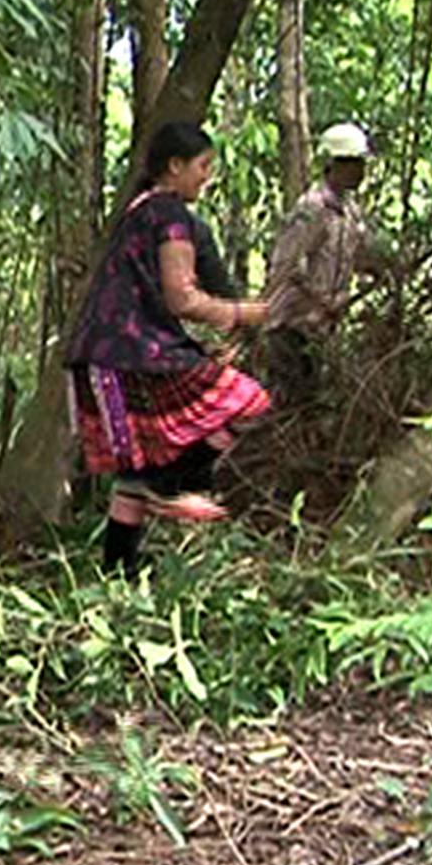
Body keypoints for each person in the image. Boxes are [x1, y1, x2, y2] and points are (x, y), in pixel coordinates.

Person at [68, 122, 271, 575]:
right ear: (175, 167)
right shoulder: (168, 214)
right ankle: (174, 486)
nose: (207, 176)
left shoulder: (142, 208)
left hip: (108, 354)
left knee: (133, 478)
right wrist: (242, 313)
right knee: (249, 401)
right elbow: (182, 298)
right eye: (203, 166)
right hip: (131, 354)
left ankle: (118, 577)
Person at [263, 123, 383, 411]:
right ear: (333, 164)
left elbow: (357, 256)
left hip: (320, 328)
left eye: (361, 164)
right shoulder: (312, 208)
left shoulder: (350, 212)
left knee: (312, 400)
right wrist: (320, 302)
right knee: (290, 403)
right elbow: (285, 266)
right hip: (291, 326)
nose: (361, 172)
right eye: (353, 164)